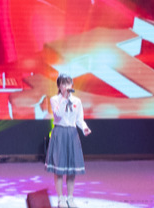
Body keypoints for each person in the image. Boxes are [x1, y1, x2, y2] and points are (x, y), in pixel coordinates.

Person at [45, 74, 91, 208]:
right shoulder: (55, 99)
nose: (66, 86)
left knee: (72, 169)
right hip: (59, 133)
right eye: (63, 84)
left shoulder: (77, 101)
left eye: (68, 83)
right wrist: (64, 99)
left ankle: (70, 197)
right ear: (59, 86)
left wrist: (84, 128)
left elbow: (79, 119)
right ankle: (61, 198)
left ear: (72, 85)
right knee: (59, 168)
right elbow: (58, 115)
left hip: (72, 133)